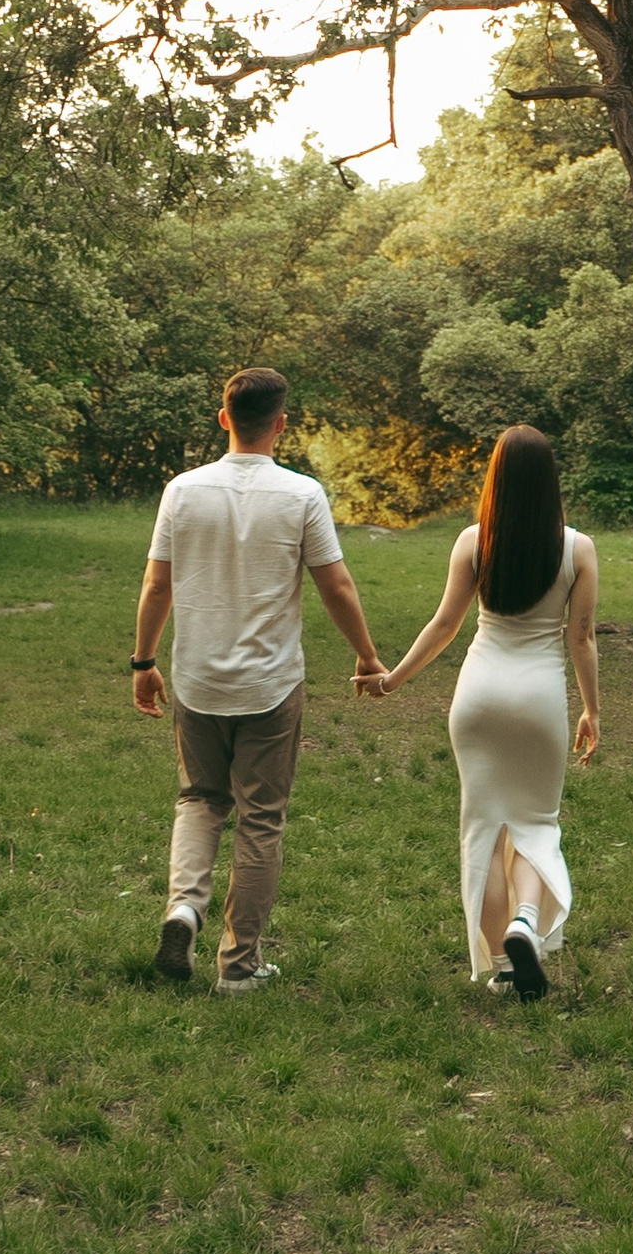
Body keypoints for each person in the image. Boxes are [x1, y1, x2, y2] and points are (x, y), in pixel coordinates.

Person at [130, 365, 384, 992]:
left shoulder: (182, 491)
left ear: (224, 418)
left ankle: (183, 909)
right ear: (281, 424)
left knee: (199, 799)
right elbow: (336, 585)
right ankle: (239, 967)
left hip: (197, 681)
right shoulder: (302, 495)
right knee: (260, 818)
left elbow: (157, 584)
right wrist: (366, 656)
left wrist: (143, 663)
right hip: (271, 684)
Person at [359, 423, 598, 996]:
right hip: (539, 700)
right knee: (535, 822)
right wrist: (592, 710)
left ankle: (505, 966)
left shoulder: (473, 541)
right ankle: (525, 923)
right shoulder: (578, 548)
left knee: (486, 831)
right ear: (550, 481)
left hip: (478, 696)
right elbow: (582, 636)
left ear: (496, 479)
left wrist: (391, 680)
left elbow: (445, 624)